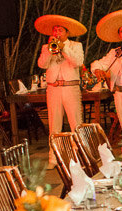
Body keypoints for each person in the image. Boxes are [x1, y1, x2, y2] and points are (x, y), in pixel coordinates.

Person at [36, 14, 87, 167]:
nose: (57, 33)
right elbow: (42, 65)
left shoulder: (75, 46)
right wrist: (49, 51)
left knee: (76, 123)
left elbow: (78, 62)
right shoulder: (47, 47)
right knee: (54, 124)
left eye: (60, 30)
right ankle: (54, 158)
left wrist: (64, 48)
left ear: (67, 33)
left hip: (70, 87)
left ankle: (81, 156)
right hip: (53, 89)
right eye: (55, 30)